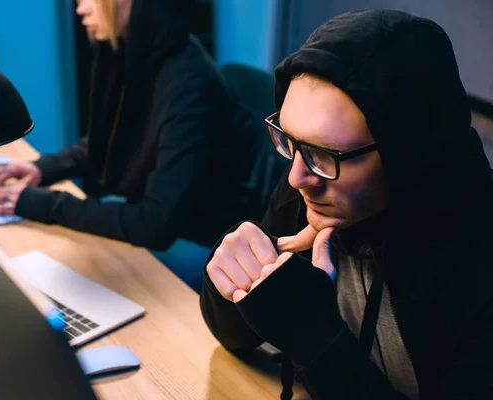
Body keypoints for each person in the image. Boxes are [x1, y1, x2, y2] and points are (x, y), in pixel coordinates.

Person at [200, 9, 493, 400]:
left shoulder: (477, 266)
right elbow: (235, 339)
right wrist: (232, 282)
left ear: (405, 156)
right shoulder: (313, 187)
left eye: (324, 153)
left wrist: (313, 336)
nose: (296, 177)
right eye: (289, 140)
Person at [0, 0, 269, 291]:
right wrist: (42, 170)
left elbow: (155, 224)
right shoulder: (137, 52)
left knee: (75, 277)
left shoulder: (188, 84)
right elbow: (110, 140)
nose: (80, 10)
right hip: (165, 222)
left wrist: (42, 203)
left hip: (206, 244)